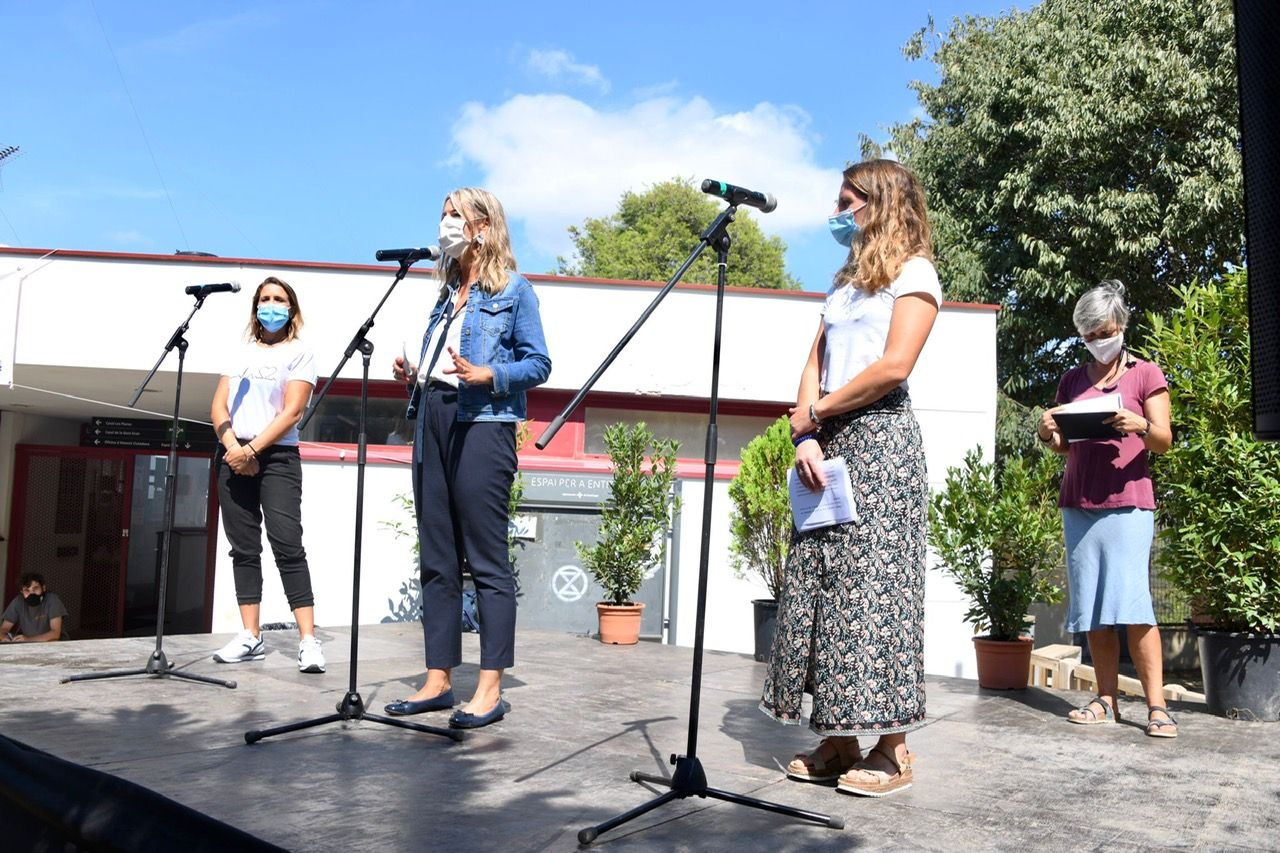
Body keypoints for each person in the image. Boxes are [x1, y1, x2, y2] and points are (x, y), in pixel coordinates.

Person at [759, 159, 940, 797]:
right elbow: (815, 360)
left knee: (875, 592)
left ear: (881, 202)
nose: (837, 214)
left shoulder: (915, 273)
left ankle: (894, 747)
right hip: (827, 441)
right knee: (821, 589)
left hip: (882, 442)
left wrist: (819, 413)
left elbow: (894, 366)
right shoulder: (844, 284)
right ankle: (838, 739)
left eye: (847, 202)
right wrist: (806, 432)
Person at [384, 187, 551, 729]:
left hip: (483, 423)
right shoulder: (445, 294)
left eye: (455, 215)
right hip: (432, 416)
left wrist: (489, 374)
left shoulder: (515, 290)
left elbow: (539, 363)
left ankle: (489, 689)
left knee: (485, 559)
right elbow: (445, 362)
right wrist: (415, 374)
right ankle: (438, 681)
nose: (446, 223)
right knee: (437, 556)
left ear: (484, 226)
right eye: (443, 214)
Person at [1037, 280, 1176, 737]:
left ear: (1122, 326)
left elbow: (1165, 440)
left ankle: (1157, 707)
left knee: (1134, 604)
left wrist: (1139, 424)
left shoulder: (1146, 374)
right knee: (1094, 606)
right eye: (1090, 334)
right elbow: (1065, 446)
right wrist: (1047, 431)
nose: (1099, 340)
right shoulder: (1072, 380)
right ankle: (1106, 700)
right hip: (1079, 503)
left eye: (1106, 331)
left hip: (1129, 504)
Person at [210, 276, 325, 674]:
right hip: (233, 453)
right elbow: (219, 407)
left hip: (276, 457)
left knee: (287, 543)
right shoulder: (239, 351)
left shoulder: (300, 352)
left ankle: (308, 641)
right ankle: (250, 635)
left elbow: (292, 411)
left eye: (278, 299)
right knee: (243, 548)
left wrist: (253, 451)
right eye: (264, 299)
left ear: (291, 309)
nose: (271, 305)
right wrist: (234, 449)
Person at [1, 573, 68, 643]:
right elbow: (4, 629)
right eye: (27, 590)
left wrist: (28, 639)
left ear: (43, 588)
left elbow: (55, 634)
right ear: (22, 592)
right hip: (30, 645)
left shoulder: (52, 600)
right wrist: (5, 638)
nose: (31, 593)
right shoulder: (18, 601)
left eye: (35, 588)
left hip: (57, 645)